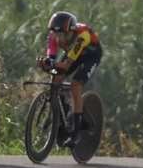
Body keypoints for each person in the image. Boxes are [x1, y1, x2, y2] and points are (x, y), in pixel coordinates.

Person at [40, 11, 101, 144]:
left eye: (63, 35)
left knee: (75, 86)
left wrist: (52, 64)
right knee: (56, 78)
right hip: (73, 53)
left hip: (90, 56)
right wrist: (47, 62)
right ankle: (63, 113)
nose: (60, 38)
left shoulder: (82, 36)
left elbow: (66, 65)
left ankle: (76, 133)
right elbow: (51, 58)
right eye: (57, 35)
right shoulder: (53, 34)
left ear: (71, 31)